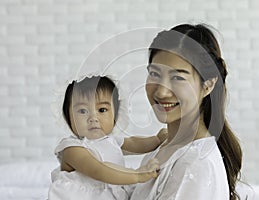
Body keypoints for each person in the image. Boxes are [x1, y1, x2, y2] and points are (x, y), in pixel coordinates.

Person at [129, 24, 243, 200]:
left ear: (208, 85)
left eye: (178, 78)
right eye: (155, 74)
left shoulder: (196, 162)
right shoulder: (165, 147)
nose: (161, 92)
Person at [48, 75, 167, 200]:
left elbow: (134, 143)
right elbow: (97, 169)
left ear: (115, 114)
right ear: (68, 117)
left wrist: (156, 140)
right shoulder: (72, 148)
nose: (93, 118)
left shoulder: (111, 141)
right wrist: (137, 175)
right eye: (82, 111)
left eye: (102, 110)